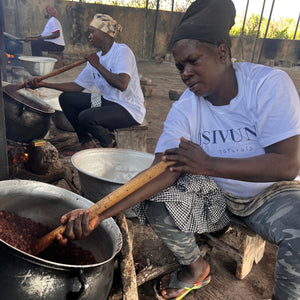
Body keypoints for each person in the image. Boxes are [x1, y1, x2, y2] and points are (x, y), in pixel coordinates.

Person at [55, 1, 300, 300]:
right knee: (159, 200)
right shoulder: (188, 105)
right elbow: (161, 170)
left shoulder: (267, 84)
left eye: (193, 61)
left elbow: (287, 165)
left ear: (222, 52)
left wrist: (208, 164)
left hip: (269, 194)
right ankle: (196, 268)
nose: (185, 73)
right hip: (215, 194)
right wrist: (97, 214)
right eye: (179, 67)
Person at [25, 13, 145, 150]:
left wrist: (98, 65)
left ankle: (109, 143)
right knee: (66, 98)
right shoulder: (96, 57)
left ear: (106, 34)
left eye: (93, 32)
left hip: (128, 108)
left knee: (86, 117)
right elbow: (77, 86)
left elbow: (122, 84)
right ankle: (86, 141)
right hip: (106, 101)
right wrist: (44, 84)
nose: (90, 36)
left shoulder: (122, 51)